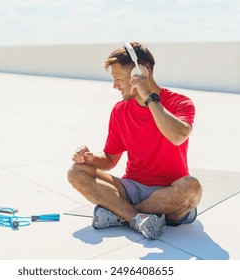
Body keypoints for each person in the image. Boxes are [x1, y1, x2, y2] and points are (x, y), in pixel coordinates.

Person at [67, 42, 202, 240]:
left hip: (170, 192)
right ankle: (137, 218)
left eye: (118, 79)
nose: (115, 86)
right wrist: (89, 158)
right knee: (76, 171)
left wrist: (148, 97)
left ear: (140, 73)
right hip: (131, 188)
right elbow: (110, 159)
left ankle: (122, 214)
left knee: (192, 188)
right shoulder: (120, 110)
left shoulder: (179, 102)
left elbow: (177, 135)